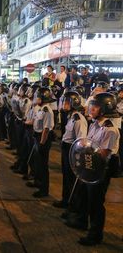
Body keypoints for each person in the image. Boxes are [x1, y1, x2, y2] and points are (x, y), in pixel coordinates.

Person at [77, 92, 120, 246]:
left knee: (96, 201)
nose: (91, 110)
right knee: (86, 197)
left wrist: (87, 148)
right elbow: (89, 142)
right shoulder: (94, 124)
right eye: (91, 107)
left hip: (101, 169)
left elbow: (103, 154)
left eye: (95, 108)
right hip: (90, 166)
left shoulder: (110, 130)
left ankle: (95, 234)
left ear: (104, 109)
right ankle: (82, 222)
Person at [53, 91, 87, 209]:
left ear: (73, 103)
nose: (63, 104)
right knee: (66, 176)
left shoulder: (78, 119)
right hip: (66, 147)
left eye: (66, 102)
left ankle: (72, 204)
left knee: (71, 178)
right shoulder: (70, 116)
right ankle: (65, 199)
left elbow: (81, 141)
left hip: (72, 150)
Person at [27, 87, 55, 197]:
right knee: (37, 162)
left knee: (43, 165)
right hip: (38, 137)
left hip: (43, 139)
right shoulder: (41, 108)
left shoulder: (47, 110)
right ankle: (37, 182)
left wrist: (42, 143)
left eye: (37, 97)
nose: (35, 98)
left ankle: (43, 190)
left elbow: (46, 129)